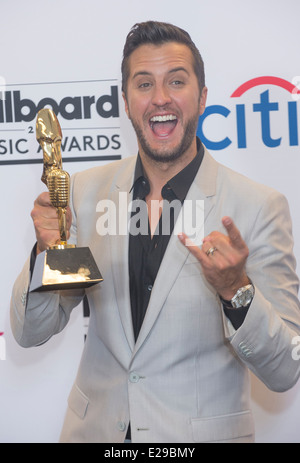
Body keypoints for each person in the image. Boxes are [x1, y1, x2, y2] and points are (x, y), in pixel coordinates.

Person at [10, 21, 300, 443]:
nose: (160, 98)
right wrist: (44, 252)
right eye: (144, 83)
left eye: (176, 81)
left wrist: (236, 290)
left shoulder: (257, 207)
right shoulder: (85, 195)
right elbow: (31, 331)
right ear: (126, 102)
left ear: (202, 98)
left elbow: (286, 370)